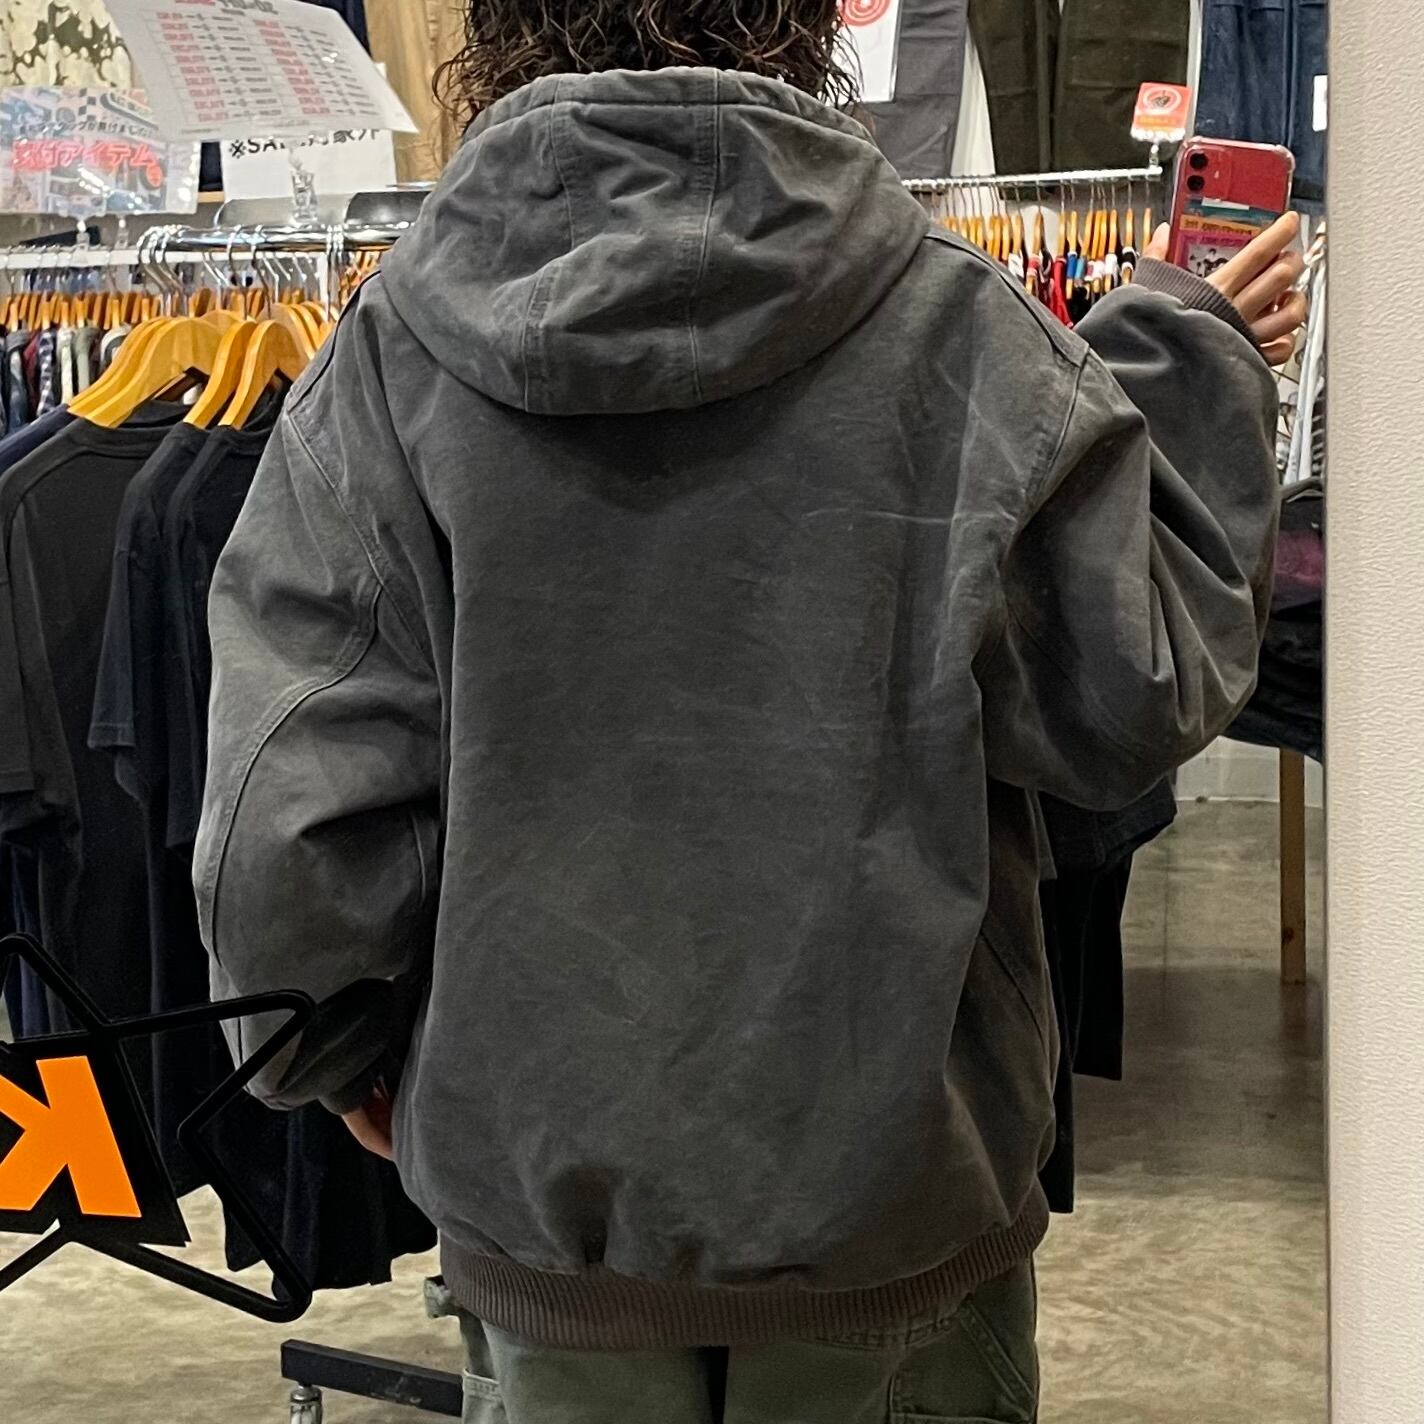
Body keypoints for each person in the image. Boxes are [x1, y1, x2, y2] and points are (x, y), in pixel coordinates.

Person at [196, 4, 1308, 1421]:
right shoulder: (963, 330)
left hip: (554, 1216)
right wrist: (1190, 359)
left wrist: (333, 1052)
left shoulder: (385, 361)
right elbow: (1134, 685)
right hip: (896, 1197)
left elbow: (286, 818)